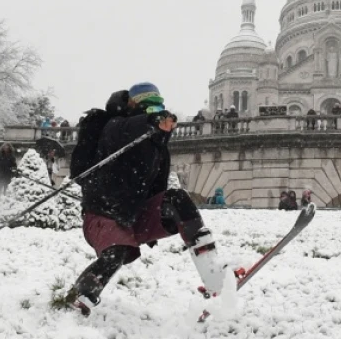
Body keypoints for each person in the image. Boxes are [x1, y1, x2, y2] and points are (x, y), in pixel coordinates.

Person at [64, 83, 230, 316]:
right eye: (148, 108)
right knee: (117, 251)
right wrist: (150, 122)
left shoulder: (156, 146)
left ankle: (214, 276)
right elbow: (123, 130)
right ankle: (80, 296)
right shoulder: (112, 126)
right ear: (134, 106)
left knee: (177, 199)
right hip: (102, 213)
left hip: (136, 214)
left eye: (158, 106)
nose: (154, 112)